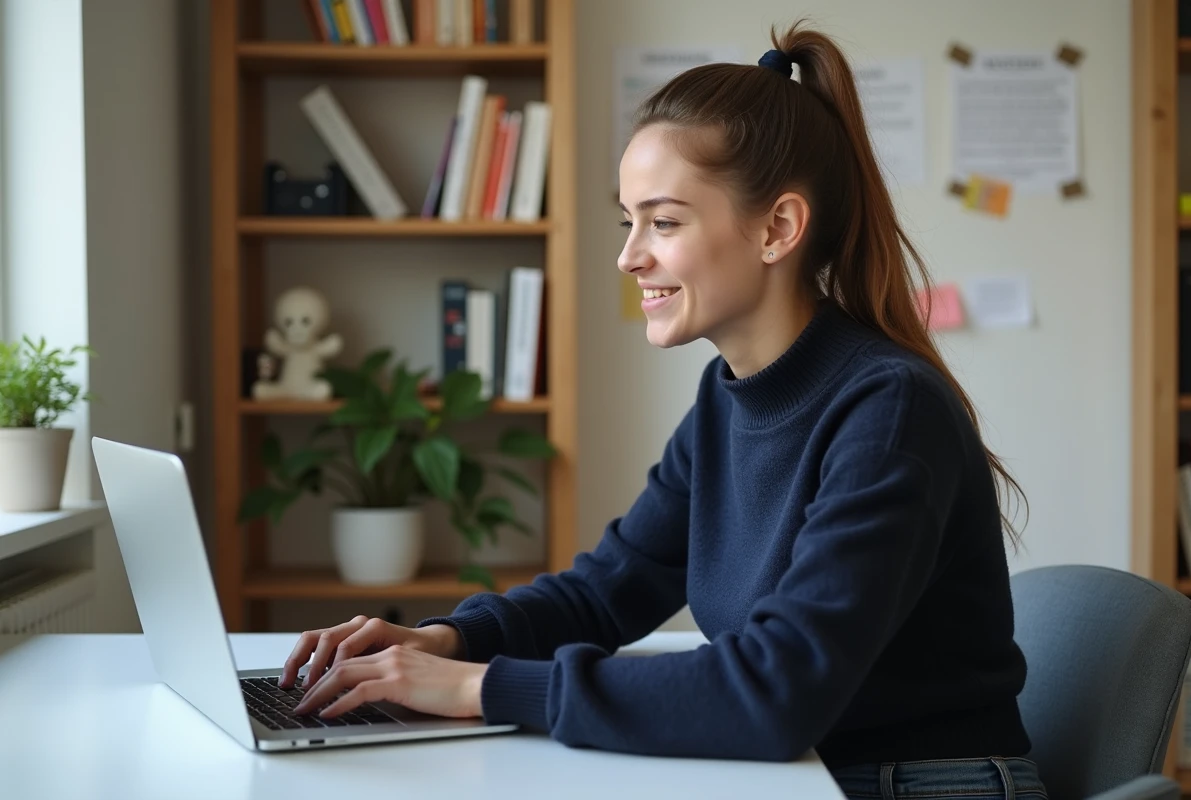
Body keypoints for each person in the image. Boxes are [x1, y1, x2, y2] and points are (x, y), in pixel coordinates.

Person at [287, 21, 1047, 800]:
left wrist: (472, 689)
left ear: (777, 228)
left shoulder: (887, 410)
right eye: (629, 221)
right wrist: (446, 639)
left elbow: (773, 692)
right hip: (811, 772)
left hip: (915, 784)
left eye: (665, 221)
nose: (629, 256)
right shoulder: (728, 397)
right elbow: (608, 589)